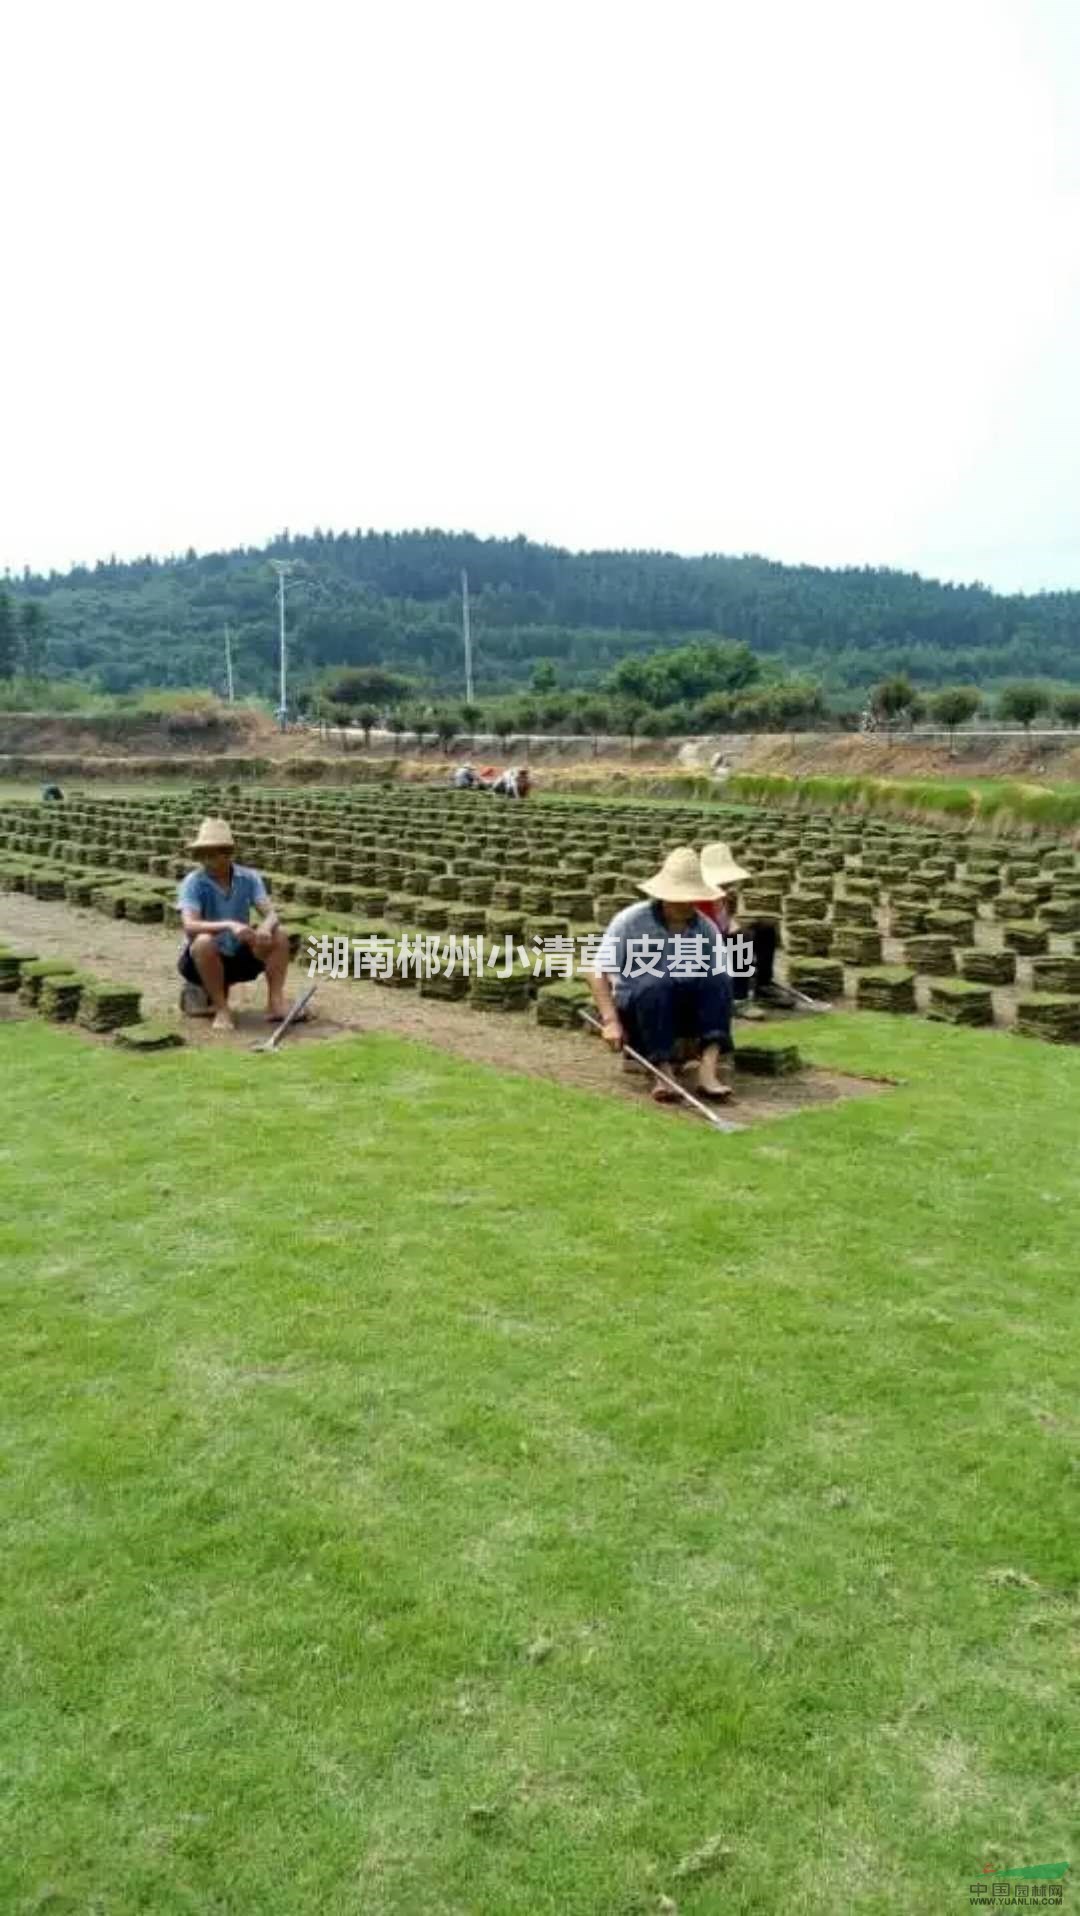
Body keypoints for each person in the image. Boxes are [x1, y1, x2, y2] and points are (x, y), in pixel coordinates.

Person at [589, 845, 734, 1102]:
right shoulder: (630, 921)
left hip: (685, 1008)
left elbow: (719, 980)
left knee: (719, 979)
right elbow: (597, 969)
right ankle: (663, 1072)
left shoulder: (705, 927)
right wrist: (610, 1021)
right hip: (641, 1006)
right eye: (679, 897)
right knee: (656, 982)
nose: (685, 904)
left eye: (691, 898)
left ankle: (707, 1069)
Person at [177, 817, 293, 1033]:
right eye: (203, 854)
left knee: (281, 936)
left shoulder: (249, 878)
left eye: (212, 854)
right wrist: (230, 924)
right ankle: (222, 1008)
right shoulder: (193, 882)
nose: (207, 860)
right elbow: (190, 925)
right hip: (199, 959)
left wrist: (266, 927)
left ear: (226, 853)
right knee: (203, 941)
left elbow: (271, 914)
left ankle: (275, 1003)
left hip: (238, 954)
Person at [697, 841, 793, 1012]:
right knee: (741, 939)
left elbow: (726, 922)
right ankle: (738, 998)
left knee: (765, 928)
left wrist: (737, 924)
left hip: (718, 939)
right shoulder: (700, 896)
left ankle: (763, 985)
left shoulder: (722, 894)